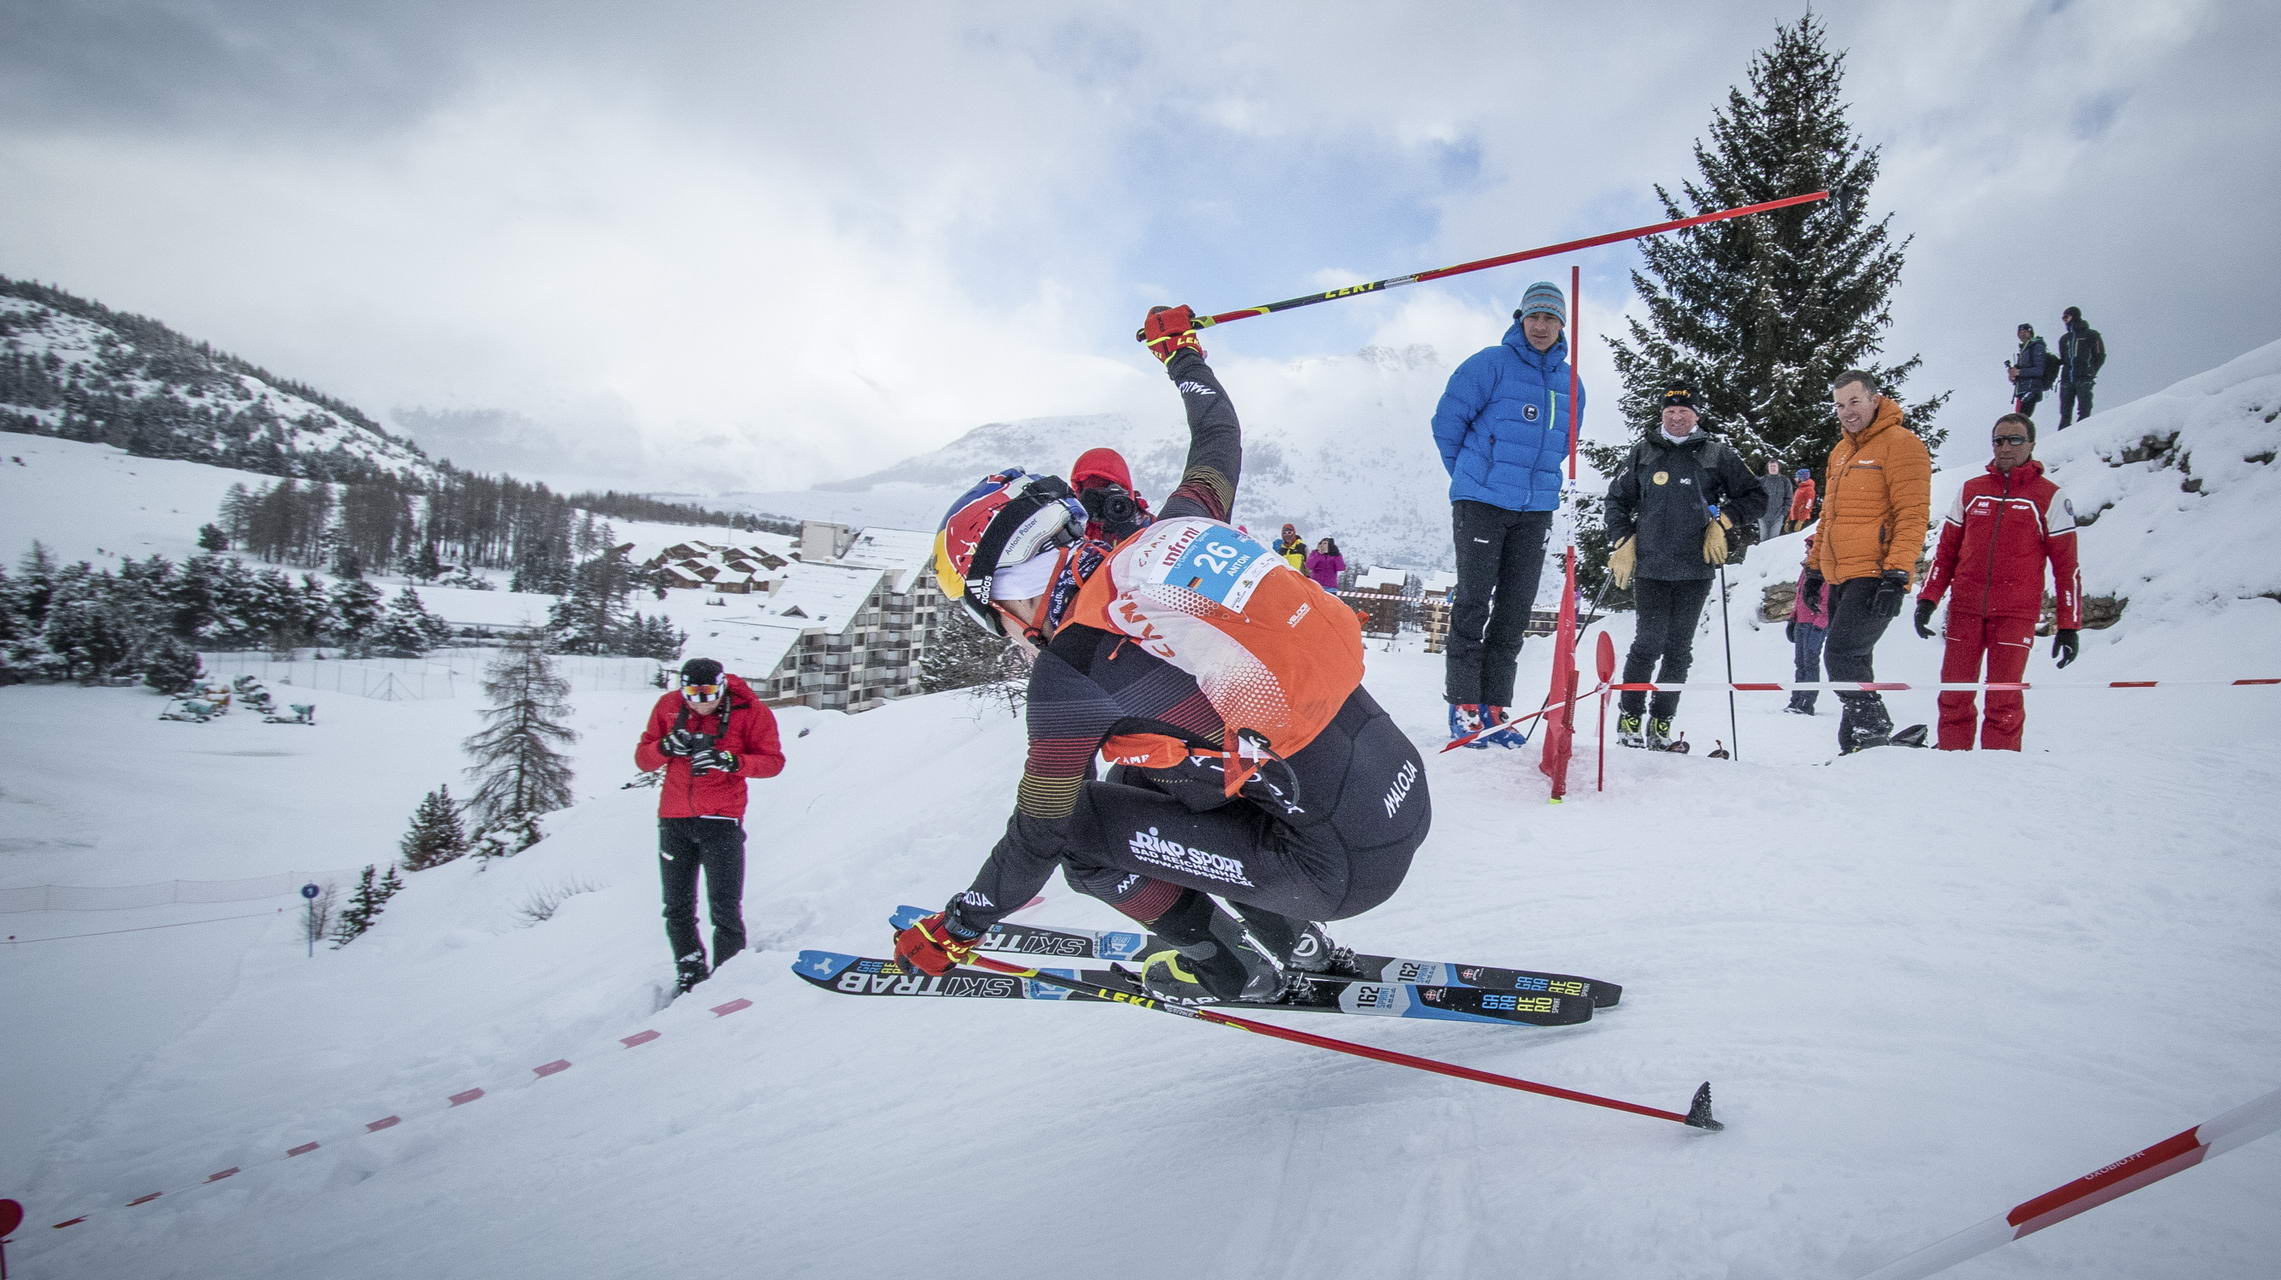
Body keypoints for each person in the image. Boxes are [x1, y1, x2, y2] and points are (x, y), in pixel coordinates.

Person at [894, 306, 1432, 1007]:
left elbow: (1041, 829)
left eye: (995, 615)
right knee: (1144, 776)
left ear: (1008, 593)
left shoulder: (1072, 672)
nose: (1010, 632)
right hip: (1399, 791)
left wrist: (958, 926)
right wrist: (1181, 354)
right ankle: (1295, 942)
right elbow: (1218, 436)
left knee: (1085, 834)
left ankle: (1229, 971)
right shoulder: (1177, 529)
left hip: (1334, 871)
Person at [1430, 279, 1582, 744]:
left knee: (1514, 610)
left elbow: (1565, 443)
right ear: (1520, 320)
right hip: (1481, 503)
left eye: (1549, 318)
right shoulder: (1489, 364)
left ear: (1561, 325)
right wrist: (1475, 478)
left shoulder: (1572, 383)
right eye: (1533, 316)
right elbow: (1446, 424)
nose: (1540, 326)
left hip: (1535, 509)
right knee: (1474, 603)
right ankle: (1464, 706)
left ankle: (1495, 706)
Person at [1603, 380, 1766, 748]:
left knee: (1679, 648)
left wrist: (1722, 521)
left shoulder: (1715, 454)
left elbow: (1757, 496)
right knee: (1648, 643)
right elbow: (1615, 500)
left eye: (1684, 411)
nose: (1677, 417)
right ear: (1662, 414)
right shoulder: (1643, 452)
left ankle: (1661, 721)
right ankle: (1630, 717)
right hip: (1651, 566)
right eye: (1670, 411)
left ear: (1696, 416)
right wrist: (1623, 540)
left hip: (1695, 567)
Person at [1913, 413, 2082, 750]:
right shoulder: (1972, 490)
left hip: (2015, 613)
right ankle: (1951, 759)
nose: (2005, 447)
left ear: (2032, 444)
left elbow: (2067, 568)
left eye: (2015, 439)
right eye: (1999, 440)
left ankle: (2000, 770)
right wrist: (1928, 598)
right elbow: (1946, 551)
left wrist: (2069, 625)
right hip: (1965, 608)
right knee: (1954, 693)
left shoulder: (2049, 496)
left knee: (2003, 699)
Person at [633, 657, 787, 994]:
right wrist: (664, 747)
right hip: (674, 820)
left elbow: (773, 762)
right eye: (691, 694)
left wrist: (731, 761)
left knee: (725, 906)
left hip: (722, 820)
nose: (700, 703)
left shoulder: (750, 710)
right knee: (676, 906)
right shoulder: (668, 707)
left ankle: (729, 974)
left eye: (708, 694)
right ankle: (689, 970)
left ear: (721, 687)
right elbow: (642, 758)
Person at [1804, 370, 1932, 753]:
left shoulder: (1902, 445)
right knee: (1856, 663)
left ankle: (1873, 731)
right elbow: (1828, 516)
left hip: (1876, 573)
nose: (1847, 412)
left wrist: (1896, 574)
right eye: (1839, 405)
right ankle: (1859, 751)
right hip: (1841, 573)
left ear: (1875, 399)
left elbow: (1912, 514)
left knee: (1842, 655)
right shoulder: (1841, 452)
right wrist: (1813, 569)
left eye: (1854, 401)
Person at [1785, 535, 1831, 716]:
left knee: (1810, 664)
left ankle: (1806, 702)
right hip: (1801, 622)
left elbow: (1827, 600)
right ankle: (1796, 700)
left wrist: (1820, 624)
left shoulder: (1823, 570)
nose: (1806, 550)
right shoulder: (1806, 569)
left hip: (1815, 624)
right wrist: (1793, 619)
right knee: (1800, 663)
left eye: (1809, 547)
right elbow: (1799, 597)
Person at [1070, 446, 1153, 542]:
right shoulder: (1069, 524)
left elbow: (1165, 548)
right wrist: (1080, 519)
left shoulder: (1145, 521)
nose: (1107, 501)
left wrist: (1139, 539)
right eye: (1098, 495)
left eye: (1114, 493)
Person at [2056, 306, 2107, 429]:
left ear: (2074, 316)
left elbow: (2100, 356)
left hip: (2084, 378)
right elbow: (2063, 359)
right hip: (2066, 379)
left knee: (2084, 409)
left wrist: (2091, 371)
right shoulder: (2064, 339)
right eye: (2063, 318)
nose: (2064, 321)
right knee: (2065, 412)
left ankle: (2082, 435)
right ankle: (2061, 440)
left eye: (2066, 317)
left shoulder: (2091, 335)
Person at [2008, 323, 2053, 420]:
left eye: (2025, 332)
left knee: (2021, 420)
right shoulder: (2024, 349)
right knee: (2019, 419)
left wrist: (2019, 372)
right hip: (2022, 390)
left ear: (2031, 333)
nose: (2022, 334)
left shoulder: (2036, 346)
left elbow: (2039, 370)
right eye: (2020, 332)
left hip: (2031, 389)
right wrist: (2014, 375)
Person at [1757, 459, 1792, 542]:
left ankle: (1772, 555)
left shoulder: (1785, 480)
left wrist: (1784, 512)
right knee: (1763, 540)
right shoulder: (1762, 480)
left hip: (1778, 516)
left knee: (1773, 540)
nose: (1773, 468)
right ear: (1767, 468)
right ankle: (1764, 555)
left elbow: (1789, 498)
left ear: (1778, 467)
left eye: (1774, 466)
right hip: (1763, 517)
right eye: (1771, 466)